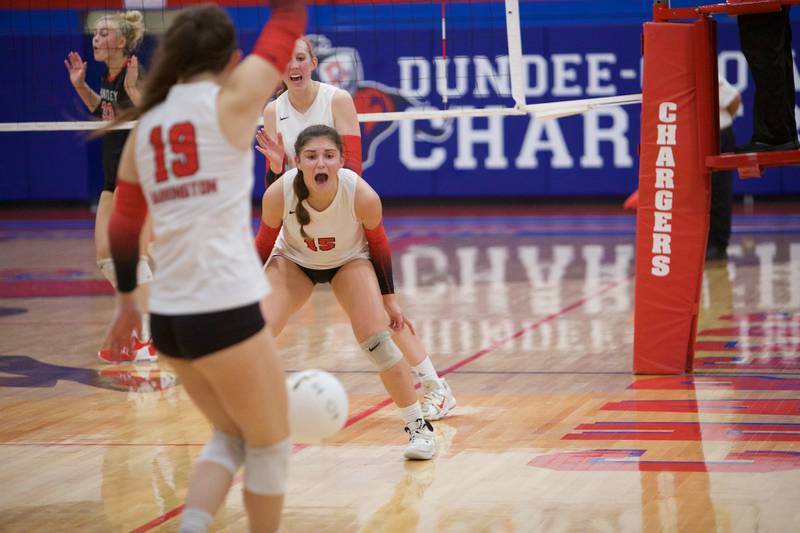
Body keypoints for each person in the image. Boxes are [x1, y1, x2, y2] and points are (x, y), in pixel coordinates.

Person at [100, 2, 306, 532]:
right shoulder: (233, 101)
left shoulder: (145, 126)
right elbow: (286, 28)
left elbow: (124, 225)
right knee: (270, 441)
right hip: (224, 308)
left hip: (169, 318)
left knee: (231, 435)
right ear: (231, 58)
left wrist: (127, 302)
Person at [254, 38, 456, 421]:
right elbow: (273, 193)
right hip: (298, 234)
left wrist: (294, 164)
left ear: (312, 61)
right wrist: (279, 168)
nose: (293, 65)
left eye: (300, 57)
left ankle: (434, 386)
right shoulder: (272, 111)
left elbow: (352, 170)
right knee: (261, 323)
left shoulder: (337, 100)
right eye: (285, 59)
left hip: (342, 222)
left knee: (381, 315)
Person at [258, 124, 437, 460]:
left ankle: (419, 427)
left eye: (328, 156)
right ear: (297, 161)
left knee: (377, 342)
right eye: (311, 157)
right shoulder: (279, 194)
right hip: (295, 261)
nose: (320, 164)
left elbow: (380, 245)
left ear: (341, 161)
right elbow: (263, 244)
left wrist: (390, 301)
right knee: (255, 335)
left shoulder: (362, 195)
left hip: (349, 261)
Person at [65, 10, 156, 362]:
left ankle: (146, 335)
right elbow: (101, 110)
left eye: (103, 34)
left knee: (135, 254)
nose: (96, 39)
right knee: (105, 257)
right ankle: (143, 322)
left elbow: (154, 117)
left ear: (121, 41)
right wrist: (80, 86)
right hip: (110, 173)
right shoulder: (107, 75)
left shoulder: (135, 73)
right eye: (96, 34)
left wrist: (134, 90)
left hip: (135, 174)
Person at [734, 6, 798, 153]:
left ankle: (774, 135)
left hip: (759, 5)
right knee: (774, 53)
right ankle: (783, 134)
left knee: (765, 54)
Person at [707, 77, 741, 261]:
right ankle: (704, 242)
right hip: (700, 137)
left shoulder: (709, 75)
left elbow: (734, 99)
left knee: (719, 191)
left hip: (720, 135)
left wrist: (722, 122)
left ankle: (718, 245)